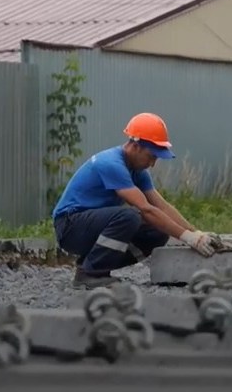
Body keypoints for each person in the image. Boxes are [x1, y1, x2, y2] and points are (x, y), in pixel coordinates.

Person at [52, 112, 219, 289]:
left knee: (157, 232)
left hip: (89, 225)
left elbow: (161, 206)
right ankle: (91, 274)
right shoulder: (111, 163)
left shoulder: (137, 171)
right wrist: (188, 238)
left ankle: (90, 266)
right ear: (135, 146)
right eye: (151, 156)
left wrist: (197, 233)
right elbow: (146, 210)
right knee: (130, 216)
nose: (153, 163)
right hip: (69, 226)